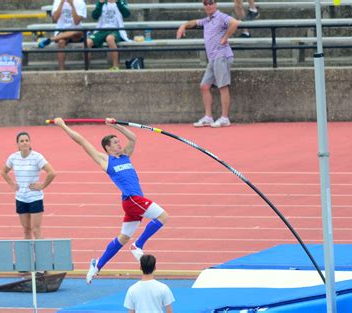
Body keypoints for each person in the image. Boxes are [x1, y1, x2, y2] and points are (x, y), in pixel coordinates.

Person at [53, 117, 169, 284]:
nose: (119, 144)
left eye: (118, 142)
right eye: (115, 143)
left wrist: (116, 126)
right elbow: (81, 141)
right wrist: (62, 125)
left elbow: (133, 138)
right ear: (107, 147)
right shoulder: (105, 160)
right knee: (163, 217)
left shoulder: (125, 156)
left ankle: (97, 266)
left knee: (123, 238)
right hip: (132, 199)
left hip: (132, 202)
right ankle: (138, 245)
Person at [177, 0, 240, 128]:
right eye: (205, 3)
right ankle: (208, 117)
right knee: (204, 86)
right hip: (213, 58)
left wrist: (225, 37)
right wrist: (183, 25)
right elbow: (194, 22)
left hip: (222, 55)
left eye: (210, 2)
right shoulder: (207, 20)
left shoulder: (221, 16)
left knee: (223, 86)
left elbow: (234, 23)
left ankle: (224, 118)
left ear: (215, 4)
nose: (208, 5)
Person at [1, 132, 56, 240]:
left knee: (36, 230)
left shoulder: (37, 157)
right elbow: (3, 172)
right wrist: (12, 184)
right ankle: (28, 257)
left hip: (35, 198)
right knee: (26, 230)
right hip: (21, 198)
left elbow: (52, 173)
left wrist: (42, 186)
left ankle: (41, 256)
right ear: (18, 144)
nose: (25, 143)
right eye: (22, 141)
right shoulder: (13, 158)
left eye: (27, 140)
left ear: (30, 143)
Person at [38, 0, 88, 70]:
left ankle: (50, 39)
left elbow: (76, 21)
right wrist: (61, 3)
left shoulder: (80, 2)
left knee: (76, 32)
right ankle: (62, 70)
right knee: (61, 42)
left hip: (76, 32)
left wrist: (72, 5)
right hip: (61, 31)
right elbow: (54, 19)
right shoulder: (58, 1)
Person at [87, 0, 131, 71]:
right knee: (87, 42)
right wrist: (100, 4)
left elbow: (127, 14)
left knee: (110, 39)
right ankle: (87, 68)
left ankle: (115, 66)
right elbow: (94, 16)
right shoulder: (101, 2)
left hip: (116, 30)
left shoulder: (120, 1)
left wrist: (118, 3)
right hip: (101, 30)